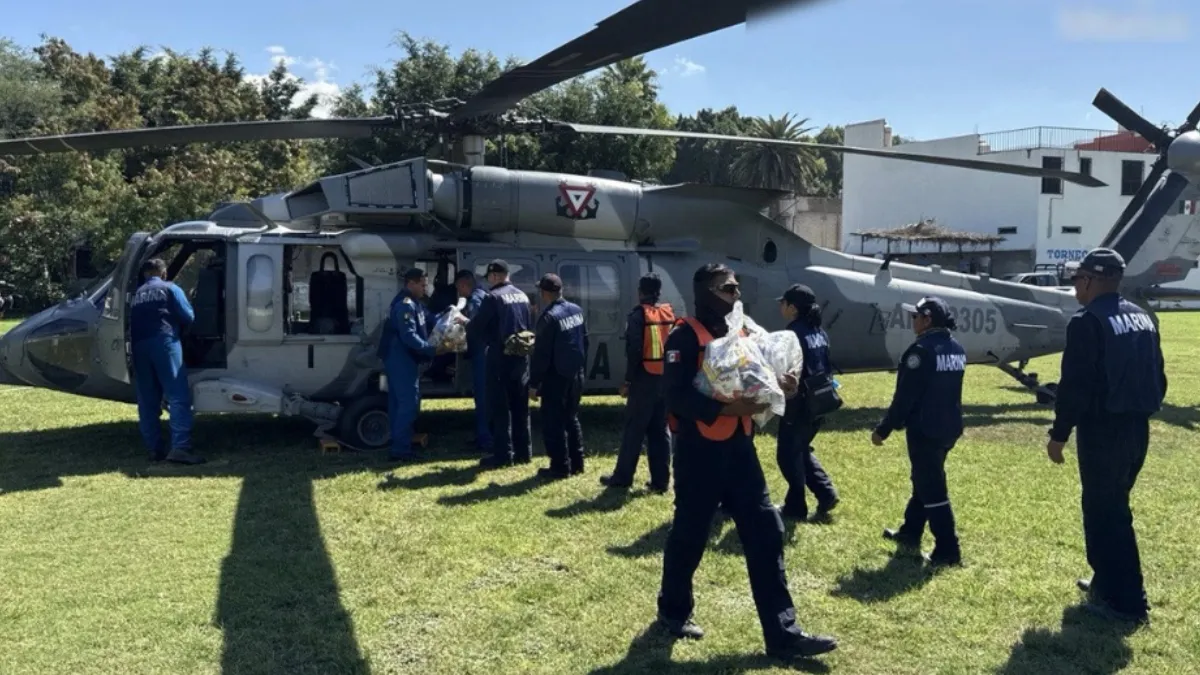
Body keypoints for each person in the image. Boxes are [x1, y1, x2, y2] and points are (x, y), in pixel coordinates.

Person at [655, 262, 838, 661]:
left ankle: (784, 635)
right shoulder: (685, 337)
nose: (735, 294)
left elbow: (759, 378)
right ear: (704, 293)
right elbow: (675, 397)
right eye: (726, 288)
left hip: (740, 450)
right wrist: (727, 408)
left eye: (736, 287)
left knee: (767, 533)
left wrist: (780, 385)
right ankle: (673, 611)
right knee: (690, 534)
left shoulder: (743, 333)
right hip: (698, 453)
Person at [1045, 247, 1165, 624]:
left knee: (1108, 513)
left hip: (1104, 432)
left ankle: (1129, 602)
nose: (1075, 287)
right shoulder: (1142, 318)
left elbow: (1075, 386)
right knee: (1107, 508)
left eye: (1078, 280)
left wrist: (1059, 433)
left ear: (1092, 280)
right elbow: (1159, 377)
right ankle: (1105, 581)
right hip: (1136, 429)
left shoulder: (1087, 321)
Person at [871, 295, 965, 567]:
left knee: (932, 488)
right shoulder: (956, 348)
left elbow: (904, 398)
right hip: (949, 427)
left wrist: (884, 429)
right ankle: (911, 531)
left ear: (927, 319)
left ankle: (948, 549)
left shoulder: (920, 351)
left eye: (915, 316)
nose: (912, 321)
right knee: (924, 479)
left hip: (926, 429)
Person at [601, 273, 674, 493]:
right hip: (665, 379)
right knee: (660, 432)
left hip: (644, 379)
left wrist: (627, 381)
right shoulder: (667, 313)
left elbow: (634, 352)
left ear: (640, 291)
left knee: (634, 429)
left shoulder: (637, 316)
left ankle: (623, 478)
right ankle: (660, 481)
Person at [128, 258, 205, 465]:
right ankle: (180, 448)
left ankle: (154, 450)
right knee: (178, 396)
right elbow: (188, 316)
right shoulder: (170, 288)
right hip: (164, 343)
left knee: (147, 401)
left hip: (139, 347)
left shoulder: (136, 295)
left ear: (145, 274)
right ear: (163, 273)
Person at [775, 284, 839, 520]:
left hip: (799, 403)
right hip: (820, 400)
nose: (780, 307)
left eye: (783, 303)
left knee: (787, 455)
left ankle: (795, 507)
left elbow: (786, 371)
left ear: (792, 308)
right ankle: (825, 493)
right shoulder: (819, 332)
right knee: (800, 449)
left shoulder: (792, 334)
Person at [466, 259, 534, 469]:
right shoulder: (522, 295)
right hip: (521, 359)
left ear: (494, 276)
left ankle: (502, 455)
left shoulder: (492, 297)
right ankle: (524, 452)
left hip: (499, 358)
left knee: (500, 408)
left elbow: (477, 327)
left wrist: (465, 322)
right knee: (520, 407)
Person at [380, 267, 448, 461]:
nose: (424, 289)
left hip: (403, 358)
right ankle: (401, 450)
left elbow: (429, 318)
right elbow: (408, 337)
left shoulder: (415, 304)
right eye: (422, 285)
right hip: (401, 358)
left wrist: (449, 315)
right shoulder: (405, 305)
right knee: (408, 403)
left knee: (397, 402)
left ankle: (398, 442)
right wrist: (432, 349)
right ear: (411, 283)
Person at [529, 273, 589, 478]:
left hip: (556, 377)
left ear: (545, 293)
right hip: (575, 374)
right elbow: (585, 341)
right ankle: (577, 462)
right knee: (571, 418)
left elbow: (541, 355)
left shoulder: (549, 318)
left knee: (553, 423)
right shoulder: (576, 310)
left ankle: (560, 466)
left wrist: (534, 383)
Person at [456, 269, 492, 454]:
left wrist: (462, 322)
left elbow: (477, 326)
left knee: (483, 398)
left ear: (463, 285)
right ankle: (483, 436)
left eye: (459, 289)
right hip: (483, 353)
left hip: (482, 354)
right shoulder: (482, 295)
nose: (459, 293)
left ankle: (485, 439)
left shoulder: (476, 300)